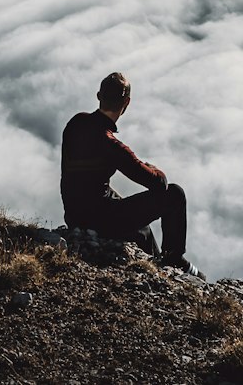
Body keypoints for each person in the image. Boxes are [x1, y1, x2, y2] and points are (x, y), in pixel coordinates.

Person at [60, 70, 197, 272]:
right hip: (99, 220)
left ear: (99, 96)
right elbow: (158, 184)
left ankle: (157, 264)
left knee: (143, 231)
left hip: (74, 214)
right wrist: (153, 168)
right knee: (175, 194)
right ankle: (174, 259)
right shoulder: (112, 145)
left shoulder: (76, 123)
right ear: (127, 103)